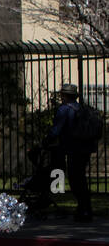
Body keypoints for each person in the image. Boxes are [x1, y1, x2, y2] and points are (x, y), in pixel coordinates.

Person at [45, 83, 94, 222]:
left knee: (75, 179)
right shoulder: (81, 108)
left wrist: (46, 141)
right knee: (81, 178)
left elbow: (56, 130)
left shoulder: (64, 109)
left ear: (65, 96)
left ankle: (83, 209)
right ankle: (85, 208)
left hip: (73, 148)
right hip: (85, 148)